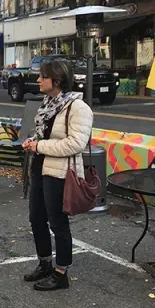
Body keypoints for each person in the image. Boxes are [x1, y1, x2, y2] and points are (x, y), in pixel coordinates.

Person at [21, 58, 94, 291]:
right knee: (36, 218)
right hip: (40, 166)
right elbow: (46, 135)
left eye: (43, 76)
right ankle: (44, 263)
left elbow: (76, 143)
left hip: (59, 172)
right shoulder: (48, 103)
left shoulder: (78, 108)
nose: (39, 80)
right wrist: (33, 142)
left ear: (58, 79)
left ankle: (61, 272)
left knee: (57, 222)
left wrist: (39, 147)